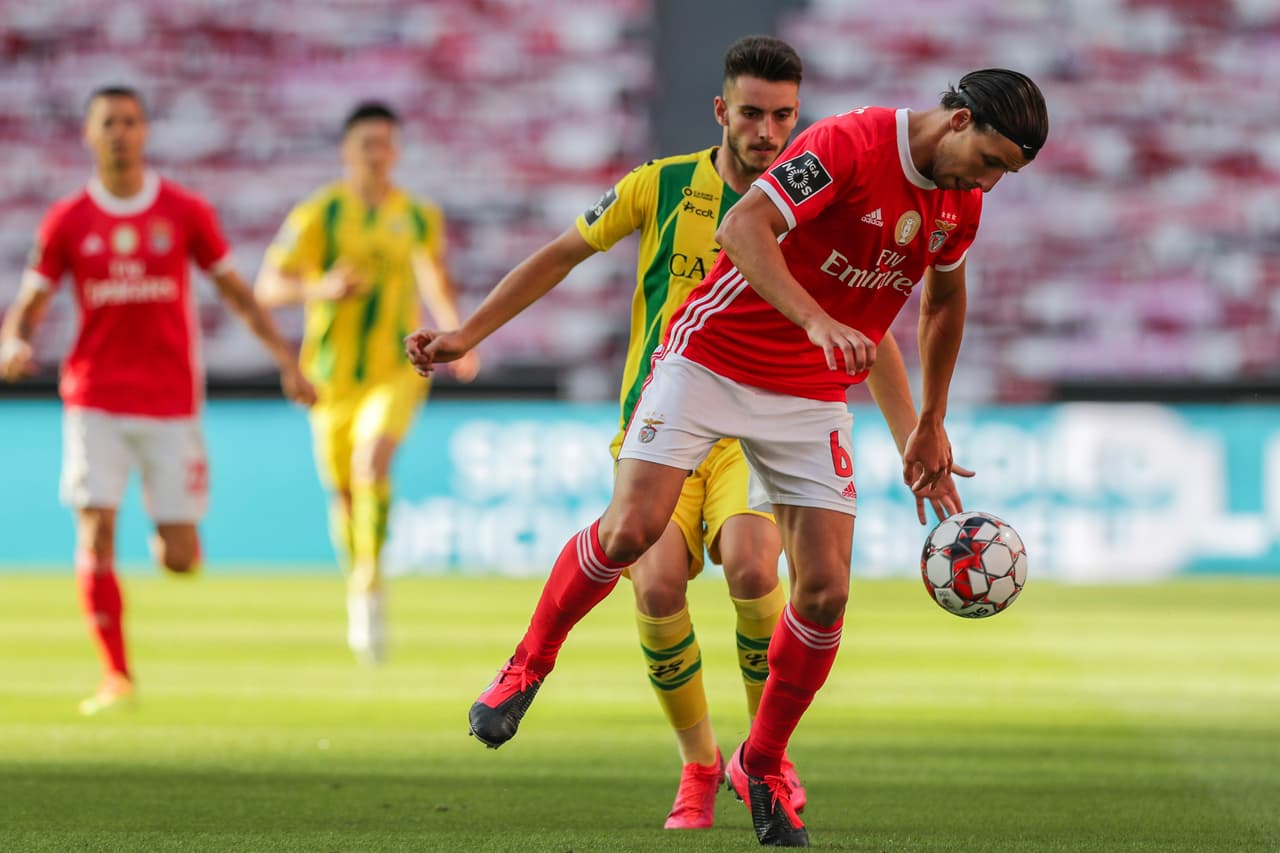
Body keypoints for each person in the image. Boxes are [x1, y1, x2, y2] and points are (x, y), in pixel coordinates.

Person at [414, 67, 1048, 846]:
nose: (990, 183)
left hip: (810, 392)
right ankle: (528, 662)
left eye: (1003, 175)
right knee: (631, 532)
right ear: (957, 122)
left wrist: (930, 421)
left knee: (823, 590)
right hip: (712, 356)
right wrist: (817, 320)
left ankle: (762, 760)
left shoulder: (962, 202)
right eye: (991, 162)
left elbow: (944, 303)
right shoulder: (847, 143)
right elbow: (741, 229)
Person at [0, 86, 315, 715]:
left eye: (130, 122)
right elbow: (32, 304)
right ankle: (117, 675)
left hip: (171, 401)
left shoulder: (184, 210)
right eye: (108, 123)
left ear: (146, 132)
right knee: (95, 528)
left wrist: (287, 359)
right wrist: (12, 340)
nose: (120, 132)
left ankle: (169, 531)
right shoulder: (67, 220)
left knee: (177, 558)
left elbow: (236, 293)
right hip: (95, 398)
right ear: (90, 135)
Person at [256, 102, 477, 665]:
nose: (377, 154)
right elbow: (268, 286)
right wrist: (321, 289)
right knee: (344, 494)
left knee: (371, 463)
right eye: (366, 144)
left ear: (395, 151)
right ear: (346, 151)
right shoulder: (318, 214)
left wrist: (459, 334)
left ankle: (368, 584)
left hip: (395, 369)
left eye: (385, 143)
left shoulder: (419, 214)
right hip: (330, 377)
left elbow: (434, 274)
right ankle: (361, 576)